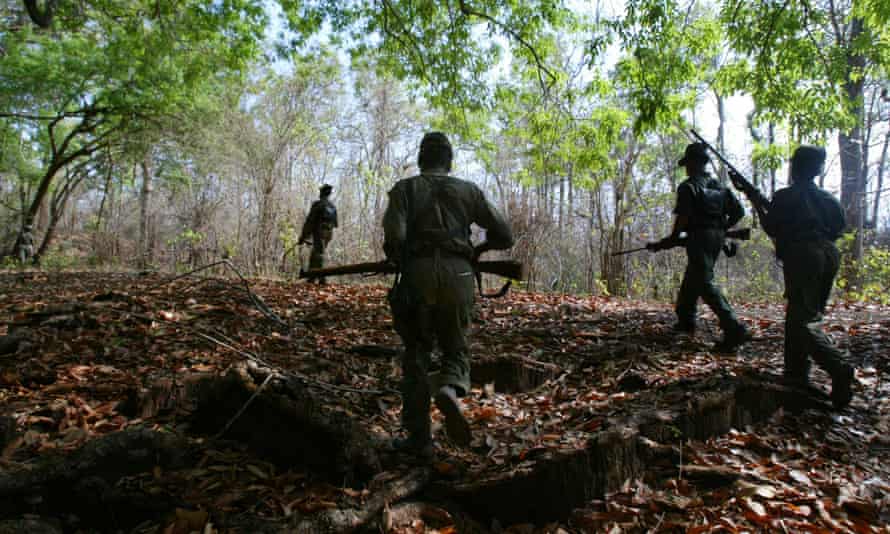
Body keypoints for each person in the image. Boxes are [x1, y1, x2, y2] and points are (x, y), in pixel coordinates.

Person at [382, 132, 513, 459]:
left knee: (415, 353)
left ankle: (419, 439)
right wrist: (478, 248)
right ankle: (450, 388)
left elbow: (394, 237)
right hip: (460, 273)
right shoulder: (469, 191)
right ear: (449, 160)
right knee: (456, 345)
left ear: (421, 159)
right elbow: (505, 235)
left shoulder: (405, 189)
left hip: (418, 273)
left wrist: (399, 255)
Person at [737, 145, 854, 408]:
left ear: (796, 166)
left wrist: (755, 200)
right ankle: (796, 374)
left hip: (804, 255)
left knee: (803, 322)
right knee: (802, 315)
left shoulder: (785, 196)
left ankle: (839, 367)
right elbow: (838, 229)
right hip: (829, 254)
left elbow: (771, 227)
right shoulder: (828, 199)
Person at [650, 142, 749, 351]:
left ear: (695, 163)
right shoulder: (721, 187)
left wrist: (671, 239)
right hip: (716, 239)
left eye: (688, 163)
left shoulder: (688, 187)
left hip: (699, 239)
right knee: (694, 276)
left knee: (704, 281)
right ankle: (685, 320)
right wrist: (721, 228)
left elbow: (683, 218)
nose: (687, 168)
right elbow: (739, 212)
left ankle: (734, 327)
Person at [299, 184, 338, 283]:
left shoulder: (318, 204)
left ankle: (322, 278)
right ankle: (312, 277)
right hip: (329, 233)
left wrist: (303, 236)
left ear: (321, 193)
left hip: (320, 231)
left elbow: (310, 221)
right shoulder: (333, 206)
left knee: (319, 254)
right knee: (316, 252)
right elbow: (336, 223)